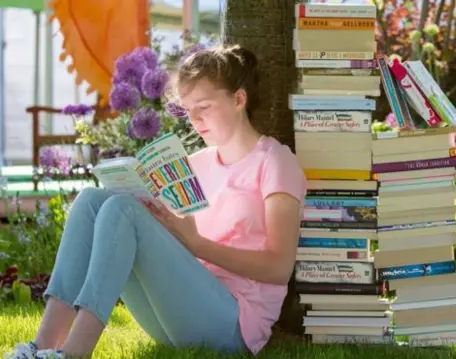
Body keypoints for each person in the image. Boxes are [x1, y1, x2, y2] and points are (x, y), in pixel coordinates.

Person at [5, 44, 306, 359]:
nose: (195, 120)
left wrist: (197, 245)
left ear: (239, 99)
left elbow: (279, 267)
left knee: (123, 211)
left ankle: (74, 353)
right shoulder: (196, 164)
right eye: (188, 111)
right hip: (178, 312)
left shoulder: (275, 162)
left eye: (204, 106)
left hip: (234, 324)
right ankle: (39, 347)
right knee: (93, 200)